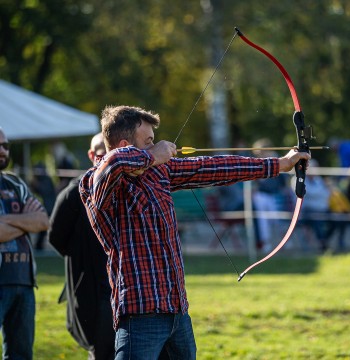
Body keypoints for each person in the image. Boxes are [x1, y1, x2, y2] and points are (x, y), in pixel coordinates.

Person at [78, 105, 311, 359]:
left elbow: (215, 167)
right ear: (125, 144)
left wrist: (279, 164)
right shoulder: (95, 183)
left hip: (177, 312)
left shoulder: (157, 172)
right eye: (148, 142)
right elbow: (114, 163)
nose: (157, 146)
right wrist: (153, 155)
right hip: (140, 315)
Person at [48, 133, 115, 359]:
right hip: (94, 291)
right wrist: (82, 258)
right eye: (101, 153)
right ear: (90, 155)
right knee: (101, 350)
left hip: (128, 291)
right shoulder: (73, 194)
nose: (107, 159)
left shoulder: (130, 186)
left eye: (112, 153)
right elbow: (56, 237)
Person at [0, 127, 49, 359]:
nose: (3, 150)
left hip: (23, 282)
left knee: (21, 354)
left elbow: (42, 221)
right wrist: (23, 222)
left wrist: (6, 220)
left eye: (5, 146)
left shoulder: (14, 184)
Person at [251, 138, 294, 252]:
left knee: (279, 219)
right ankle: (266, 243)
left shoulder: (276, 160)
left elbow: (285, 178)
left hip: (275, 194)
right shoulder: (256, 162)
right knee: (263, 221)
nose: (259, 154)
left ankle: (285, 241)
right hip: (261, 195)